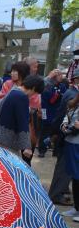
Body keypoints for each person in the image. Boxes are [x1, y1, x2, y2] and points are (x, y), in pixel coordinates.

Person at [49, 69, 79, 206]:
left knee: (66, 168)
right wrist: (57, 133)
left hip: (67, 135)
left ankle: (60, 192)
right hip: (67, 136)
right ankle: (56, 194)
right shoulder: (72, 94)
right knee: (64, 168)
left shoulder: (71, 93)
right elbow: (63, 117)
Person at [0, 75, 45, 158]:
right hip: (10, 140)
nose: (34, 95)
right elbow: (23, 122)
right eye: (36, 92)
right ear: (33, 88)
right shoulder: (22, 97)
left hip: (1, 136)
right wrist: (27, 147)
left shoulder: (12, 91)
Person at [38, 70, 67, 157]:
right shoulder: (48, 85)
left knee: (57, 130)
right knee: (45, 130)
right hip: (46, 111)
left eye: (61, 74)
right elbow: (48, 99)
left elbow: (64, 98)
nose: (61, 76)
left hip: (57, 112)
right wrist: (57, 95)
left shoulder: (62, 86)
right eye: (59, 74)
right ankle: (42, 150)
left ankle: (55, 150)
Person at [60, 94, 79, 221]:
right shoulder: (74, 104)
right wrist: (64, 125)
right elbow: (66, 117)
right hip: (71, 143)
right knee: (75, 176)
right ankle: (76, 207)